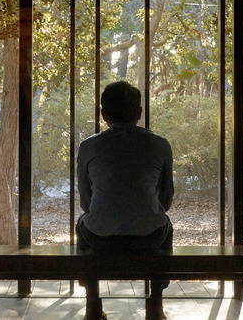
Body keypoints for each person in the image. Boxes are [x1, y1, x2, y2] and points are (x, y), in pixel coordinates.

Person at [77, 81, 174, 320]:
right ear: (139, 113)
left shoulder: (88, 146)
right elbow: (166, 197)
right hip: (148, 237)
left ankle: (92, 304)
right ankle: (155, 305)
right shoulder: (160, 145)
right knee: (166, 225)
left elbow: (86, 201)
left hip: (101, 237)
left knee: (82, 225)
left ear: (103, 114)